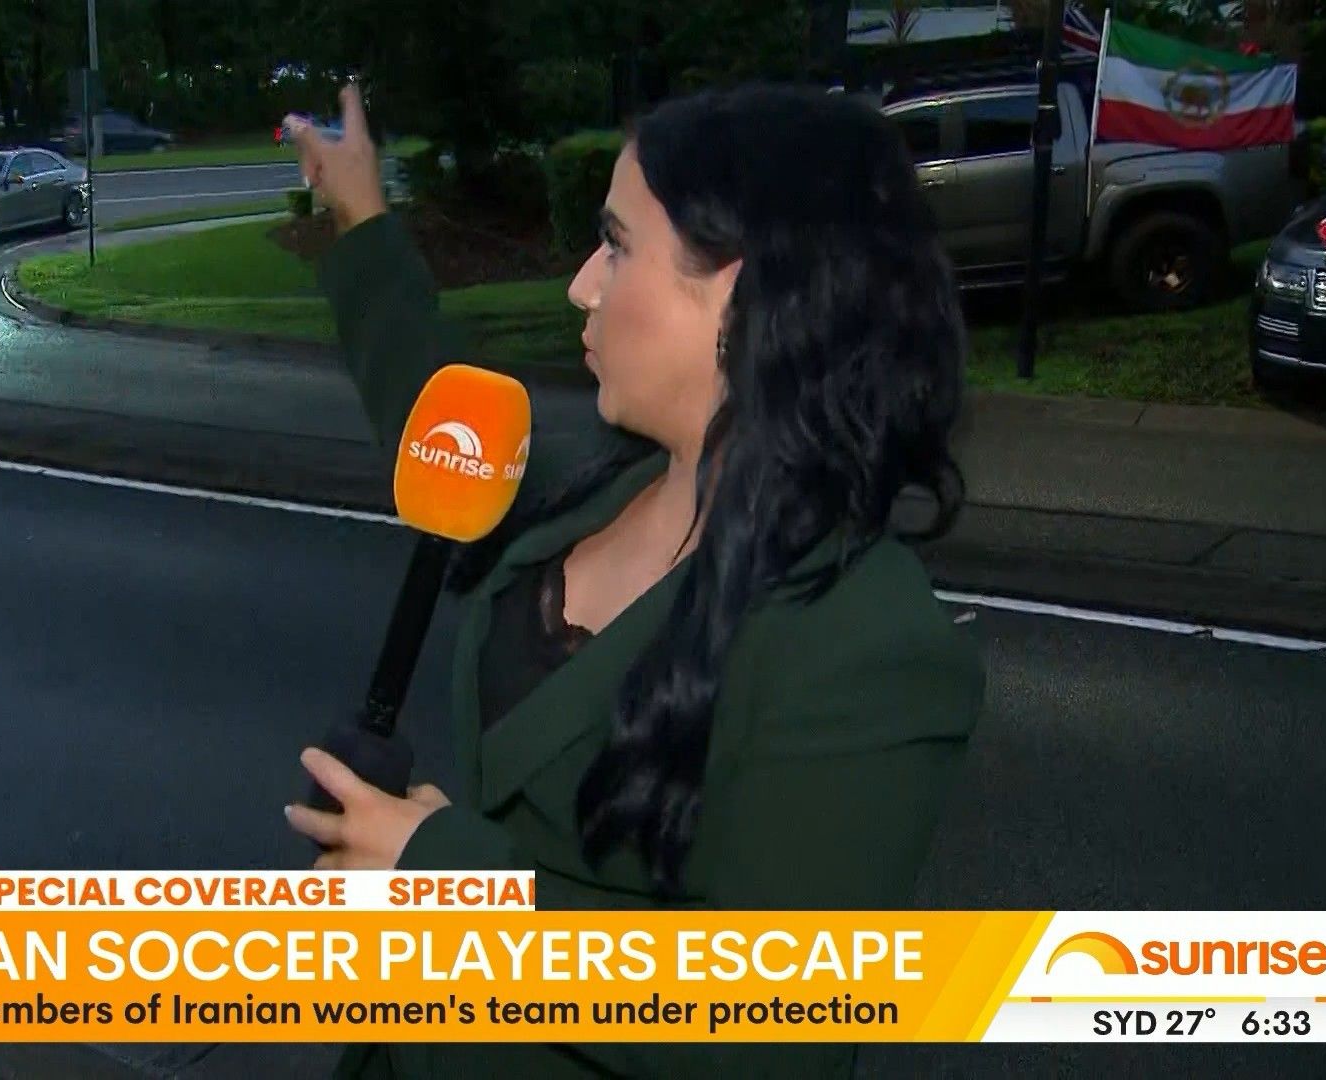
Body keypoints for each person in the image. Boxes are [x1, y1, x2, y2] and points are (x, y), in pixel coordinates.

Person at [280, 81, 986, 1079]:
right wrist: (360, 212)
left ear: (740, 295)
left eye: (614, 246)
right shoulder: (601, 489)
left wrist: (442, 873)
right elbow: (440, 425)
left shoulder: (872, 646)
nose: (580, 286)